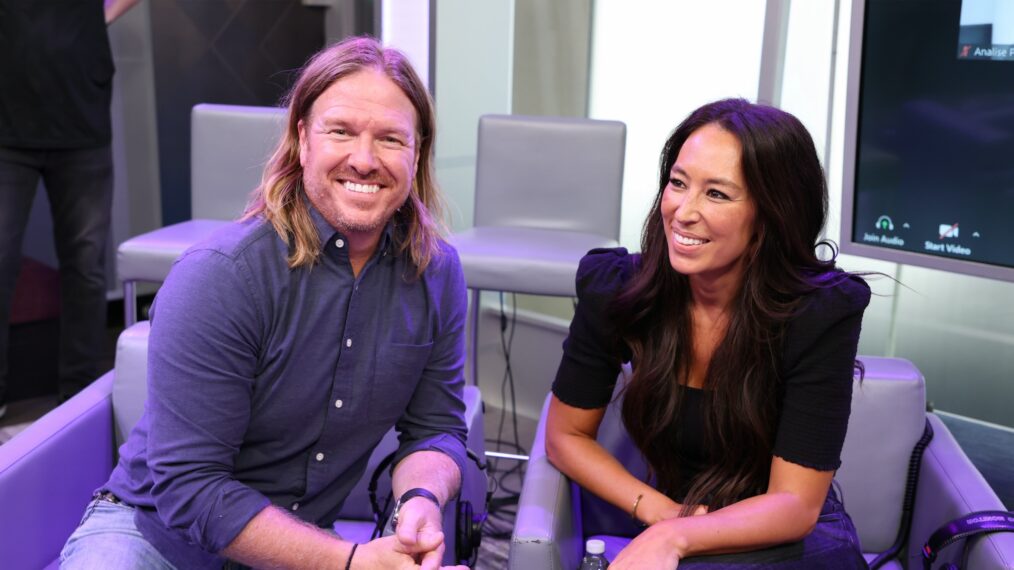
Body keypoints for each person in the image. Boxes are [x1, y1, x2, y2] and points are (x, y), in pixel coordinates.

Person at [60, 37, 471, 570]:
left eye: (391, 139)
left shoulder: (437, 273)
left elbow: (436, 428)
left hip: (301, 546)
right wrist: (348, 562)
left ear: (418, 153)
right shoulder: (221, 274)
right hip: (154, 538)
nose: (365, 160)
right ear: (303, 139)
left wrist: (421, 499)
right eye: (341, 131)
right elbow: (189, 487)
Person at [546, 99, 872, 569]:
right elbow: (565, 436)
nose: (683, 211)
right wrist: (662, 516)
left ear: (771, 214)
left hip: (788, 541)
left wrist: (675, 537)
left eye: (716, 194)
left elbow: (795, 505)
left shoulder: (818, 314)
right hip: (683, 521)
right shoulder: (620, 290)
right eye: (678, 183)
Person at [0, 0, 140, 418]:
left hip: (82, 115)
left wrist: (104, 15)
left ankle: (77, 399)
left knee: (85, 266)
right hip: (7, 121)